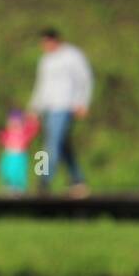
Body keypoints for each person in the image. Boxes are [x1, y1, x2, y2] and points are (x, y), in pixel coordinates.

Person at [27, 28, 92, 197]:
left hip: (64, 106)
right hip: (48, 107)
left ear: (54, 40)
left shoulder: (72, 55)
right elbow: (41, 85)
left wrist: (82, 102)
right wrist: (34, 108)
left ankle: (43, 180)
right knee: (62, 145)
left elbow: (84, 79)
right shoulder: (45, 60)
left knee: (51, 143)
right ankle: (78, 180)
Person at [0, 108, 39, 193]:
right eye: (11, 122)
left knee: (19, 172)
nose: (14, 124)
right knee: (6, 170)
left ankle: (19, 187)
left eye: (17, 122)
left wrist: (33, 119)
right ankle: (8, 185)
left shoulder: (24, 132)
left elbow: (34, 128)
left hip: (20, 156)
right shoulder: (7, 132)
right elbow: (1, 137)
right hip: (8, 155)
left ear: (22, 123)